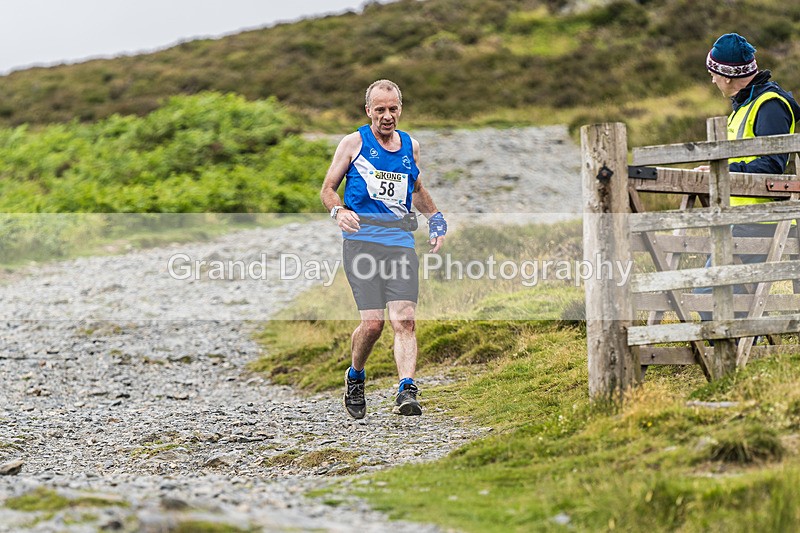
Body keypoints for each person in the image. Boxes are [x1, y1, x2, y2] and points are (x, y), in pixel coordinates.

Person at [320, 79, 447, 419]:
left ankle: (407, 388)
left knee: (404, 319)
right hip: (361, 243)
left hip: (400, 242)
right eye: (380, 110)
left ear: (400, 109)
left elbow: (416, 188)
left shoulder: (410, 146)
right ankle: (355, 375)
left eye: (393, 109)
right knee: (373, 325)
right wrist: (338, 211)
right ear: (368, 111)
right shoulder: (353, 143)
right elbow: (328, 189)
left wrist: (435, 219)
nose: (387, 116)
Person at [695, 33, 800, 320]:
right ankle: (744, 347)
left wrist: (722, 173)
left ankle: (740, 347)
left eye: (714, 73)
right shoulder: (746, 105)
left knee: (709, 296)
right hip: (741, 219)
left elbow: (772, 165)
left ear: (728, 75)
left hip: (759, 221)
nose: (712, 80)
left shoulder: (770, 105)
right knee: (731, 299)